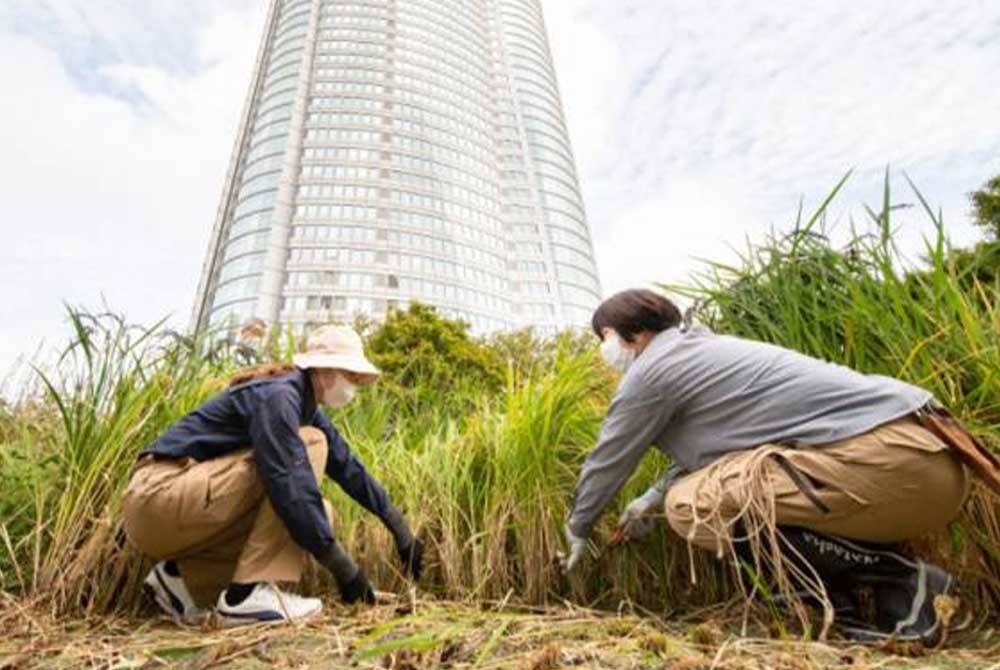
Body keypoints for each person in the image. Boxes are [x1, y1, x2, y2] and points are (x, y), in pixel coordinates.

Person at [560, 289, 988, 645]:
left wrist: (578, 528)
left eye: (604, 337)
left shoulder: (653, 370)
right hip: (931, 467)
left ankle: (905, 582)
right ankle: (850, 610)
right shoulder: (704, 353)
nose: (604, 350)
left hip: (889, 464)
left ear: (627, 336)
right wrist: (648, 500)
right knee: (695, 493)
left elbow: (608, 457)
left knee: (690, 506)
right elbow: (736, 458)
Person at [123, 325, 423, 626]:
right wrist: (346, 571)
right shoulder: (279, 395)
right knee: (310, 448)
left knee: (322, 513)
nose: (354, 387)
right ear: (326, 370)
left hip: (171, 509)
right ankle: (245, 597)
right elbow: (289, 483)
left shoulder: (301, 406)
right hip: (158, 494)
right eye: (352, 376)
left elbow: (349, 468)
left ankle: (180, 580)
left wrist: (400, 530)